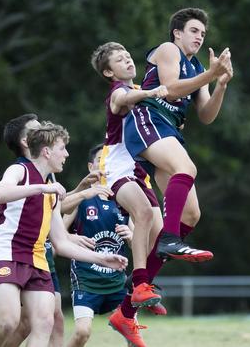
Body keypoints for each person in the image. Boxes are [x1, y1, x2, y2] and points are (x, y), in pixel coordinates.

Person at [0, 121, 128, 347]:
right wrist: (43, 189)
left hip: (38, 260)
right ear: (47, 151)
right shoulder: (20, 170)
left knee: (44, 323)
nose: (67, 154)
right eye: (62, 148)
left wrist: (103, 258)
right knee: (9, 323)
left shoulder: (52, 189)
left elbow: (61, 243)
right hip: (8, 254)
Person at [124, 8, 233, 260]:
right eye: (194, 31)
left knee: (191, 214)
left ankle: (140, 286)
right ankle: (169, 239)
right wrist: (209, 74)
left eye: (203, 34)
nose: (199, 37)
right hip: (149, 120)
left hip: (169, 131)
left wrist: (221, 85)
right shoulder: (168, 49)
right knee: (187, 168)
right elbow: (170, 89)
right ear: (177, 33)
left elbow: (206, 115)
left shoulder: (198, 70)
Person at [90, 42, 176, 347]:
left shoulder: (139, 87)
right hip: (116, 167)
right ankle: (140, 283)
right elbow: (125, 99)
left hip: (139, 172)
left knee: (160, 235)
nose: (128, 60)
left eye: (128, 56)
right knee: (140, 212)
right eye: (119, 59)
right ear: (108, 71)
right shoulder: (118, 91)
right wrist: (153, 93)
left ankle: (137, 293)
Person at [62, 144, 133, 347]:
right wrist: (71, 238)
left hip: (116, 281)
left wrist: (131, 235)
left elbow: (139, 240)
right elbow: (56, 234)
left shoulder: (125, 198)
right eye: (101, 160)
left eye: (110, 160)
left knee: (132, 332)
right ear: (91, 166)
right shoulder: (81, 199)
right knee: (82, 333)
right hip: (86, 279)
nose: (106, 165)